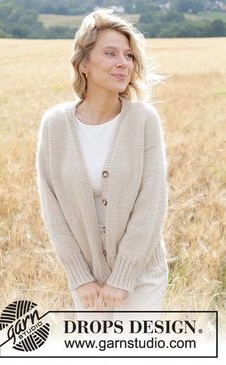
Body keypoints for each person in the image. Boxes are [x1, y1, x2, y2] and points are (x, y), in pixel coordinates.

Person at [35, 8, 169, 325]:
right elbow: (52, 208)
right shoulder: (55, 125)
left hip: (140, 275)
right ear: (84, 64)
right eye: (110, 53)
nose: (123, 62)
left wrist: (122, 278)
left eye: (129, 55)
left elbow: (152, 202)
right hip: (87, 281)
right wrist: (80, 277)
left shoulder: (143, 121)